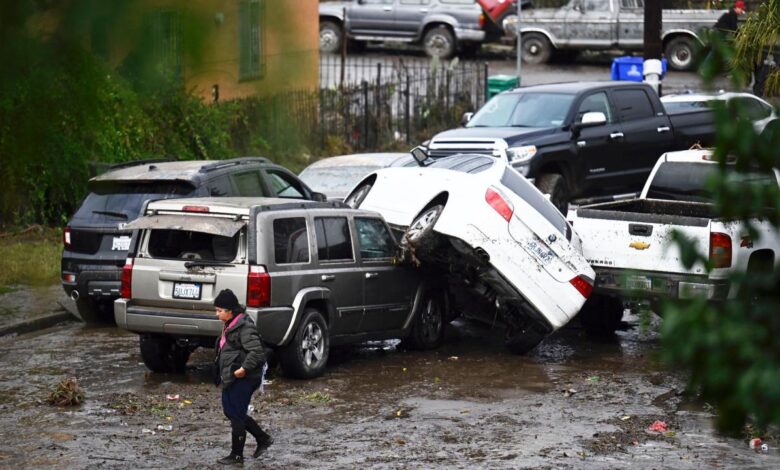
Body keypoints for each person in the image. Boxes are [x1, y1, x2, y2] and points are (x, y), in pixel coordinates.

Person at [213, 288, 273, 466]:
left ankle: (236, 455)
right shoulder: (230, 325)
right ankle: (263, 438)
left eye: (219, 311)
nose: (217, 314)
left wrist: (244, 369)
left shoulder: (244, 326)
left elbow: (257, 352)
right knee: (230, 410)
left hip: (245, 377)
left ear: (230, 311)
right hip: (232, 376)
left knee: (236, 414)